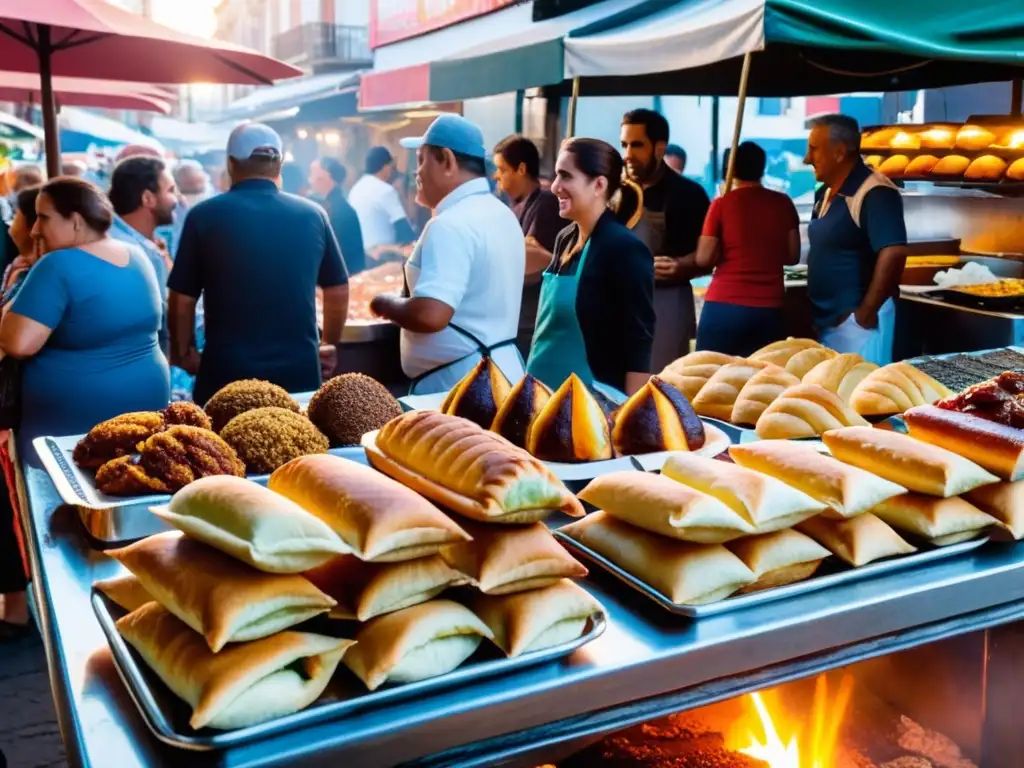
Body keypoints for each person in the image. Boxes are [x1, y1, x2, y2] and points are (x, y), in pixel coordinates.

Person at [168, 123, 349, 404]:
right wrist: (328, 344)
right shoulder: (313, 215)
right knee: (297, 445)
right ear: (279, 164)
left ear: (231, 163)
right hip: (298, 373)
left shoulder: (203, 216)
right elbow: (337, 289)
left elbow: (182, 298)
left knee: (221, 447)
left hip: (225, 375)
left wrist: (184, 351)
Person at [0, 177, 170, 438]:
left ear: (76, 221)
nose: (35, 230)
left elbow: (18, 343)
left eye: (43, 218)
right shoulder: (136, 254)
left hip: (72, 433)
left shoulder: (57, 264)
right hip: (146, 411)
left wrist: (28, 273)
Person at [370, 115, 525, 394]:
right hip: (500, 374)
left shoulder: (449, 223)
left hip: (461, 386)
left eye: (421, 160)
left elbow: (431, 314)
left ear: (447, 160)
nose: (416, 173)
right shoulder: (501, 213)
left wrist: (386, 304)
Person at [527, 138, 654, 396]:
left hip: (593, 402)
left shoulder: (624, 248)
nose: (554, 187)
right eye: (555, 176)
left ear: (599, 184)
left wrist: (630, 412)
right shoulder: (566, 238)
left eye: (565, 176)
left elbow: (639, 341)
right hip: (540, 393)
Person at [805, 114, 907, 366]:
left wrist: (865, 313)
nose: (807, 159)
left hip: (858, 329)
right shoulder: (824, 193)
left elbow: (894, 252)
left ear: (839, 152)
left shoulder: (875, 192)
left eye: (814, 150)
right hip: (828, 325)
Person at [621, 109, 709, 372]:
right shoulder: (612, 191)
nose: (627, 154)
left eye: (637, 145)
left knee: (661, 386)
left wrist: (685, 264)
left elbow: (709, 257)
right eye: (624, 144)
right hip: (617, 298)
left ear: (659, 148)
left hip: (666, 303)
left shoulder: (688, 194)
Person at [694, 141, 800, 356]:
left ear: (729, 169)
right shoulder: (783, 203)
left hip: (724, 307)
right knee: (761, 383)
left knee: (711, 378)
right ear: (762, 168)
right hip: (770, 308)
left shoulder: (722, 204)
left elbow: (703, 258)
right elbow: (792, 256)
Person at [493, 134, 564, 360]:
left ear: (521, 169)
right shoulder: (517, 206)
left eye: (502, 169)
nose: (497, 176)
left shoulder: (545, 203)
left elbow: (528, 261)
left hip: (534, 323)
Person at [108, 155, 178, 356]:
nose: (178, 198)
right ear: (148, 198)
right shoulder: (130, 251)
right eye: (171, 190)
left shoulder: (142, 244)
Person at [348, 146, 416, 253]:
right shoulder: (385, 190)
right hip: (383, 256)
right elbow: (404, 229)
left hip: (360, 253)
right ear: (385, 166)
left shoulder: (355, 189)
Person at [309, 156, 367, 275]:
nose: (310, 179)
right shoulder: (333, 205)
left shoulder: (337, 210)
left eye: (312, 173)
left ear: (326, 176)